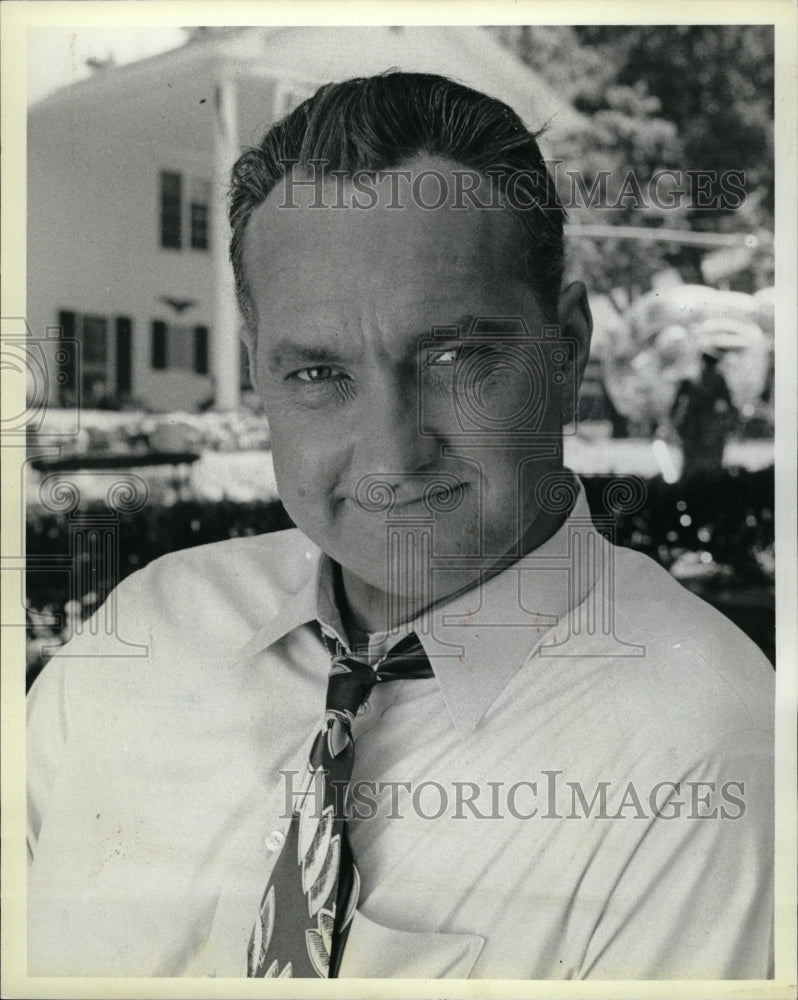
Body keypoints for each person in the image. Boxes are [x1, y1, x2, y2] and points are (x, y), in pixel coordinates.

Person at [27, 72, 773, 980]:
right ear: (260, 373)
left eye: (456, 356)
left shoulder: (706, 760)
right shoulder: (142, 634)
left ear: (568, 348)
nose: (391, 454)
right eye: (317, 374)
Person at [671, 348, 739, 481]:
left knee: (695, 463)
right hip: (705, 425)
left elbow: (676, 404)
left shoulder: (691, 379)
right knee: (705, 464)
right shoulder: (716, 379)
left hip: (696, 425)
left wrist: (675, 421)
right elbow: (729, 403)